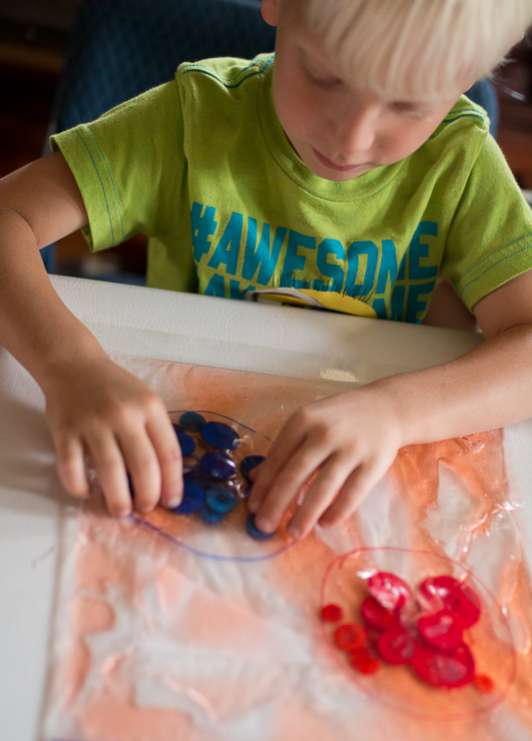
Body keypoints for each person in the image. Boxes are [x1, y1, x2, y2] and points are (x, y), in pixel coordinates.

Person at [0, 0, 531, 540]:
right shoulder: (192, 122)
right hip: (189, 416)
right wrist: (69, 364)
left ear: (471, 76)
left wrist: (397, 412)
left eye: (409, 106)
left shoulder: (461, 166)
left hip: (368, 467)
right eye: (325, 76)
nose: (350, 140)